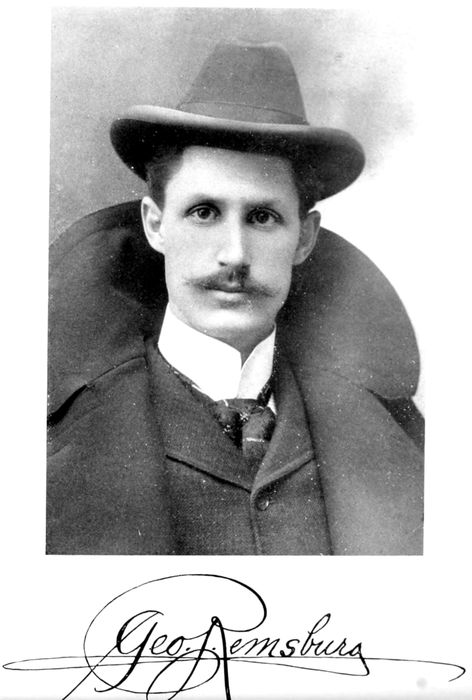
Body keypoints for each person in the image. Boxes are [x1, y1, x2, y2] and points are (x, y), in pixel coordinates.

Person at [47, 40, 424, 555]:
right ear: (155, 224)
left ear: (305, 237)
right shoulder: (42, 442)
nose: (235, 254)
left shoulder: (400, 443)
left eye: (263, 217)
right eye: (204, 212)